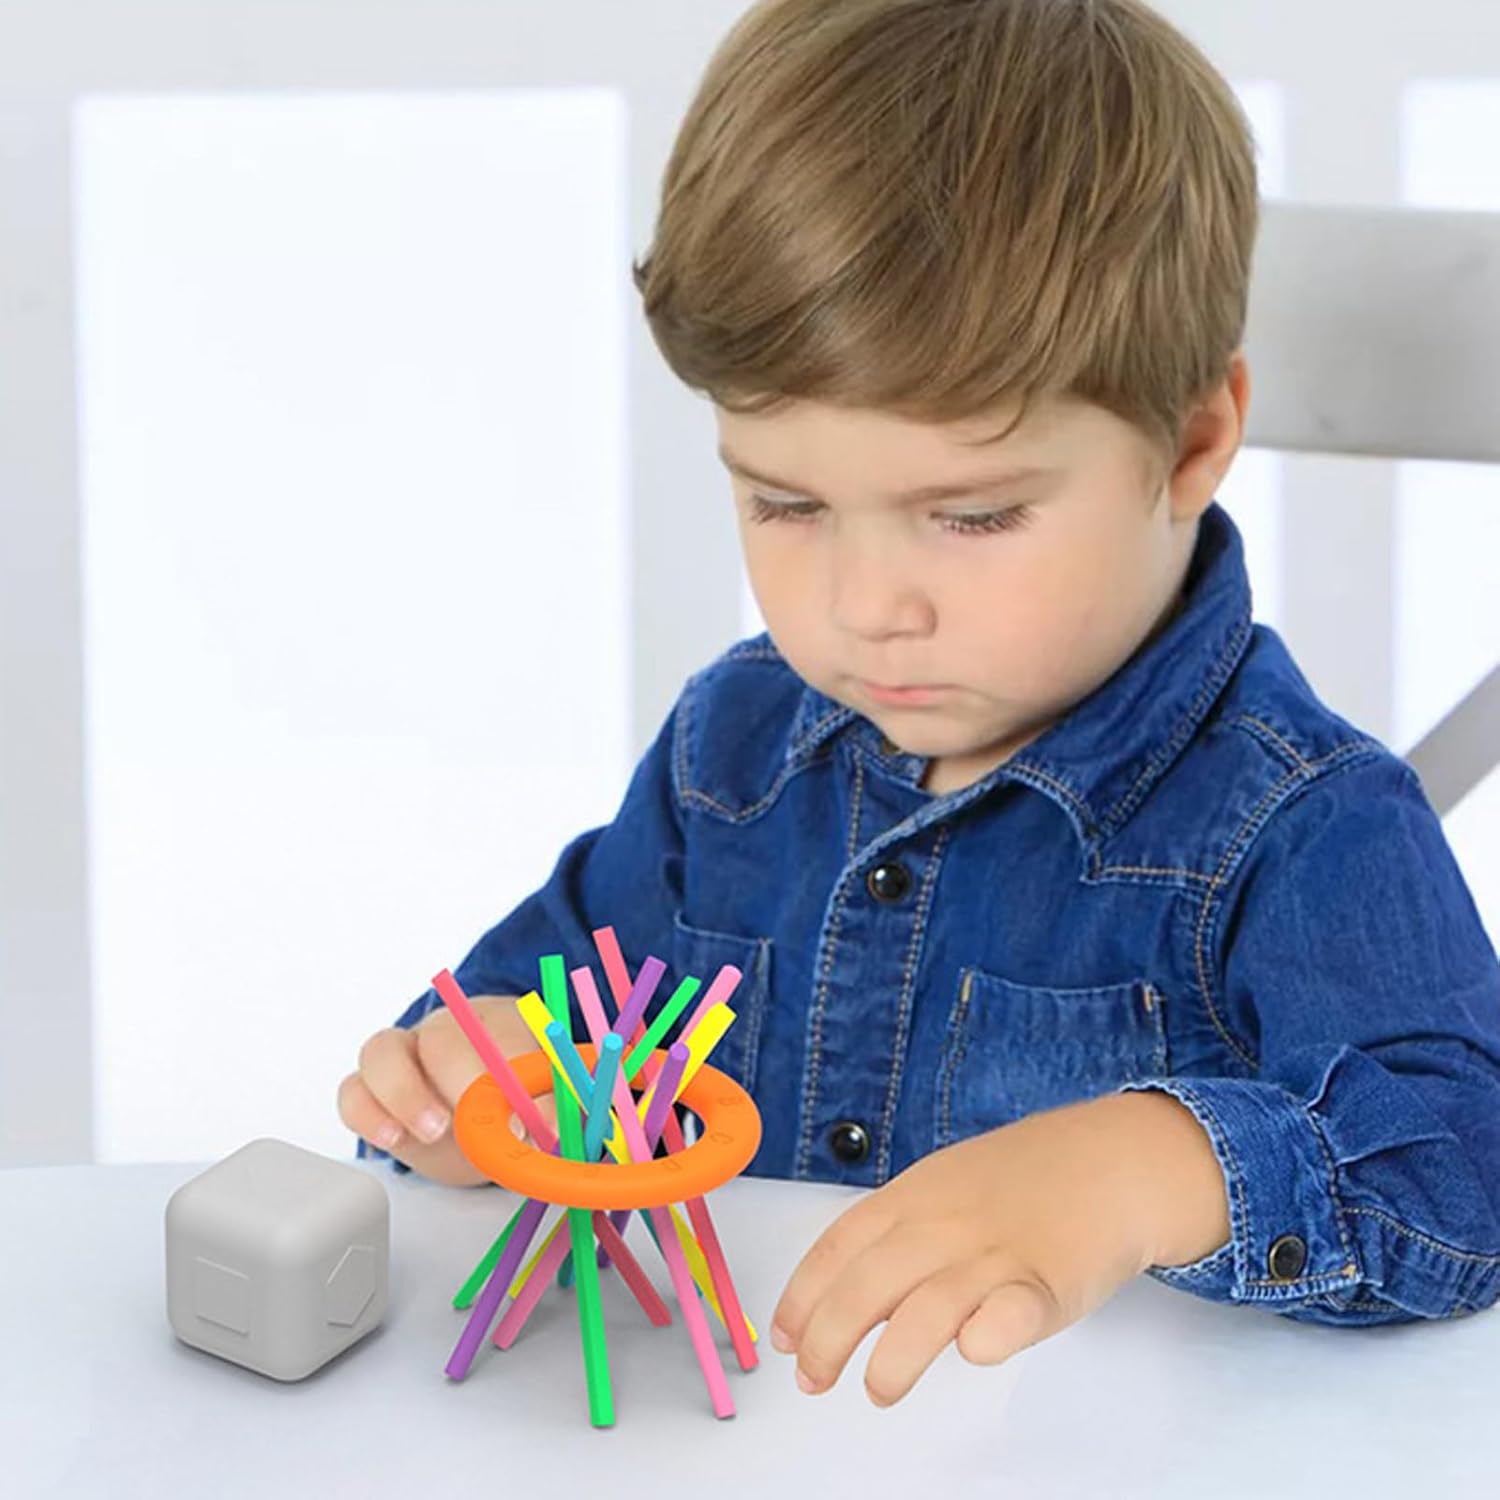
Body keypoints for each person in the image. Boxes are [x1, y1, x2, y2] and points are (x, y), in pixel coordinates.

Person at [337, 0, 1500, 1407]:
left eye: (972, 516)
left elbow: (1463, 1174)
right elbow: (531, 1018)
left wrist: (1144, 1167)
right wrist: (474, 1098)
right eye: (787, 502)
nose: (865, 604)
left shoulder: (1302, 825)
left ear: (1193, 442)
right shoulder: (733, 754)